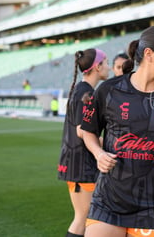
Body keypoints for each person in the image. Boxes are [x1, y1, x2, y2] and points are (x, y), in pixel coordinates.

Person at [80, 25, 154, 237]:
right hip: (109, 198)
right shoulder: (109, 90)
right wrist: (99, 154)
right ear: (149, 54)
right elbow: (88, 131)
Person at [57, 48, 110, 237]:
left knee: (86, 217)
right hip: (80, 164)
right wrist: (109, 144)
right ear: (97, 67)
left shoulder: (82, 90)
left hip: (77, 162)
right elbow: (82, 130)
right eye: (106, 63)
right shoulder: (86, 93)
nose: (109, 68)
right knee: (84, 218)